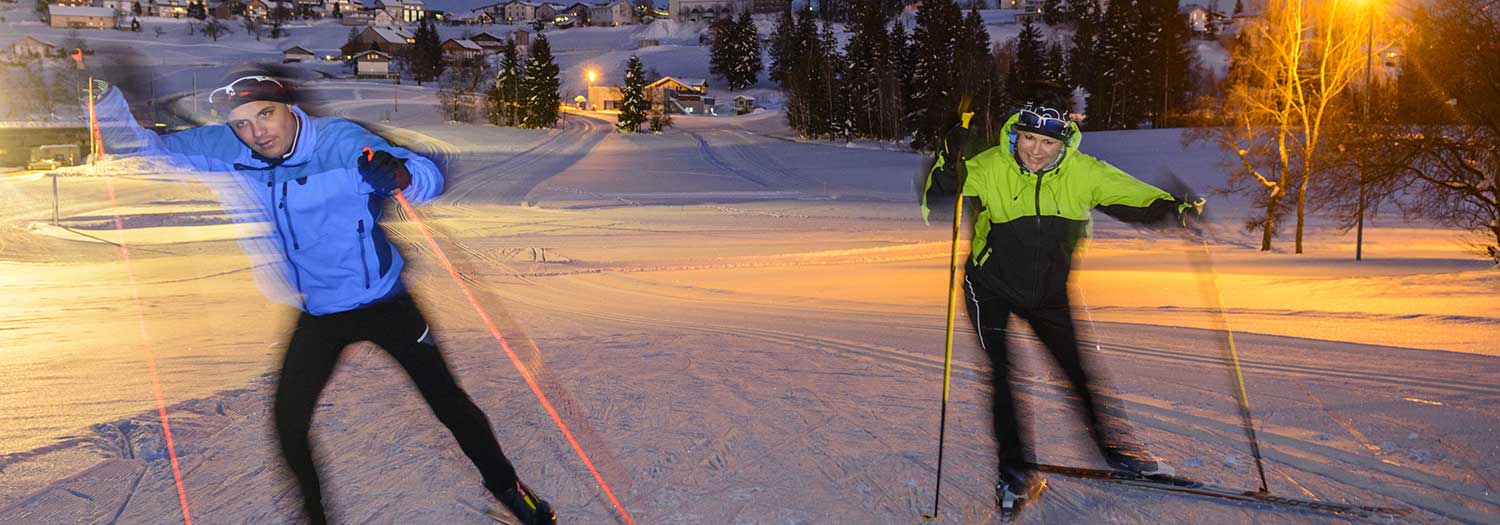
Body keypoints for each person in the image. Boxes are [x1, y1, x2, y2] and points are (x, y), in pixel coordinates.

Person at [89, 73, 556, 525]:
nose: (256, 132)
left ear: (290, 108)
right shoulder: (231, 148)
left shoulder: (339, 142)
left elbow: (426, 176)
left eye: (266, 114)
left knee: (449, 404)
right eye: (242, 122)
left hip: (385, 303)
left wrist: (398, 175)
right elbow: (144, 147)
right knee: (288, 424)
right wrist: (105, 101)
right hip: (317, 313)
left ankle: (514, 495)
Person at [920, 83, 1202, 508]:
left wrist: (1176, 210)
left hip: (1050, 294)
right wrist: (948, 155)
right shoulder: (989, 165)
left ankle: (1119, 453)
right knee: (1003, 378)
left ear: (1063, 141)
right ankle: (1014, 474)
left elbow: (1135, 196)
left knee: (1079, 371)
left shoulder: (1083, 172)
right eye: (1028, 138)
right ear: (1016, 133)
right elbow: (935, 202)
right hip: (989, 289)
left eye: (1047, 142)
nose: (1035, 150)